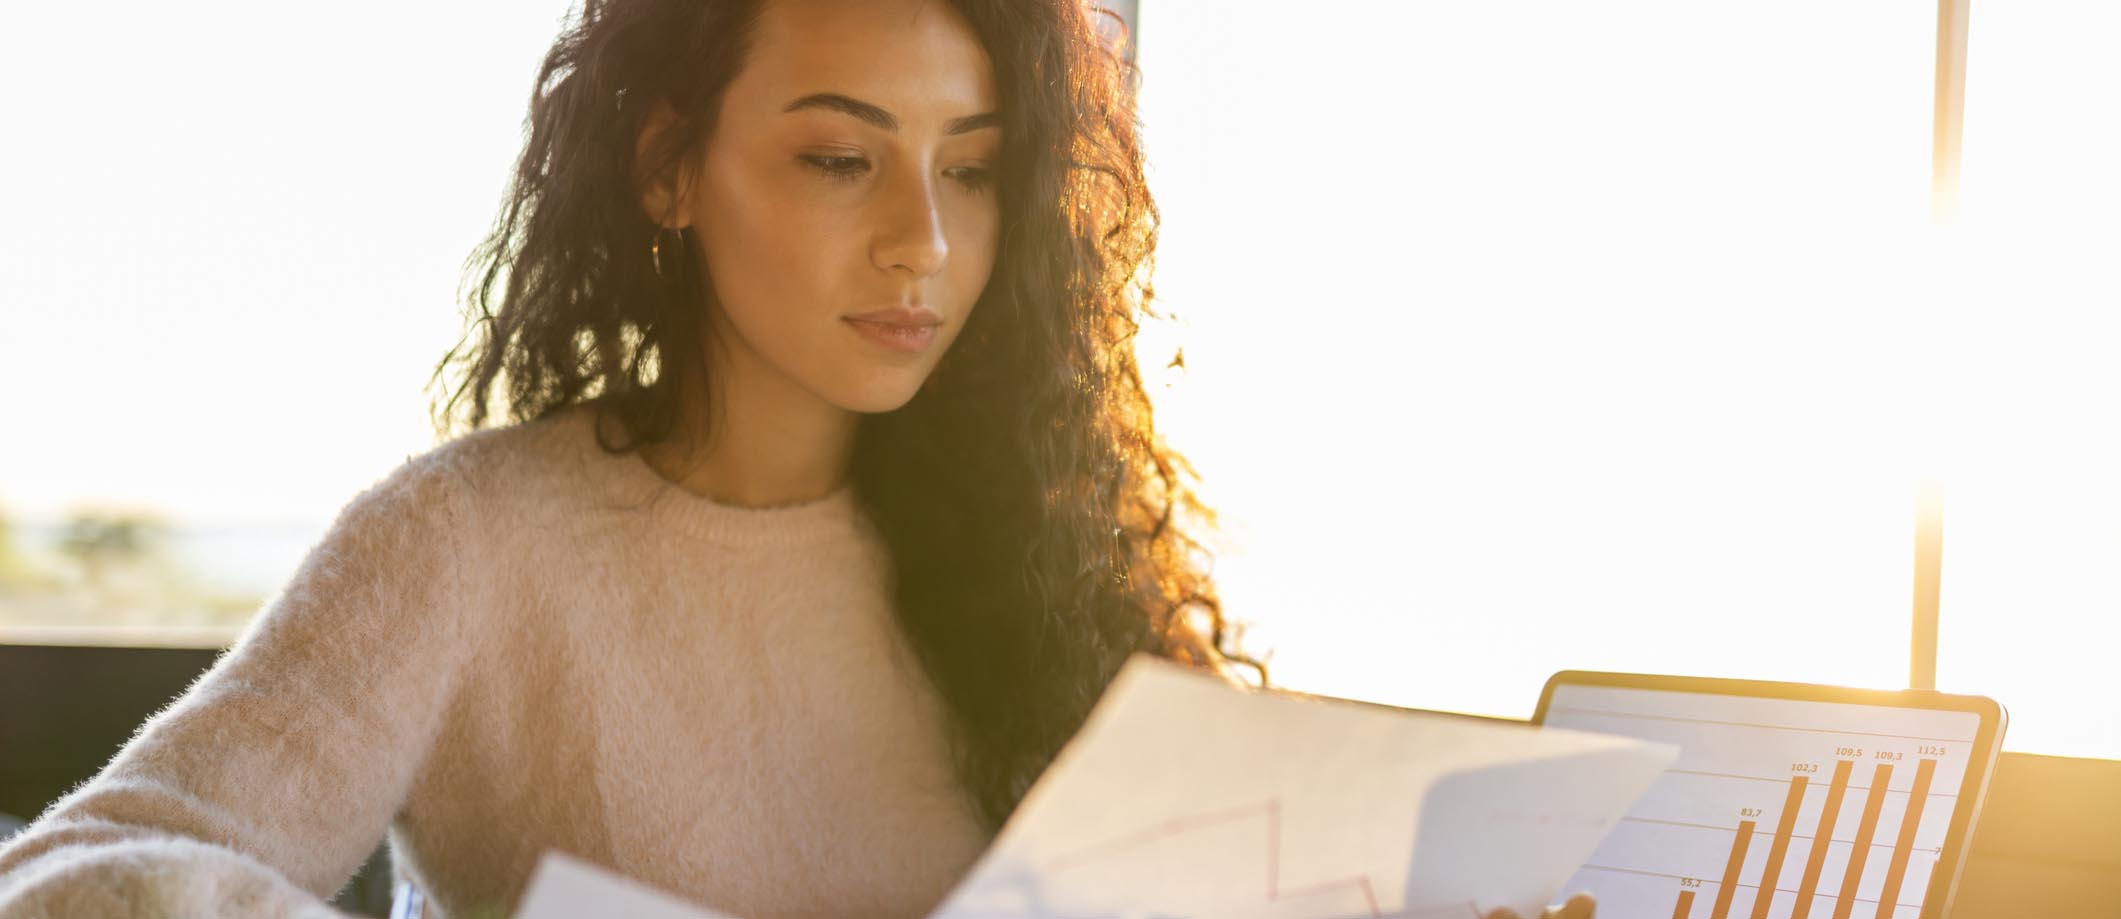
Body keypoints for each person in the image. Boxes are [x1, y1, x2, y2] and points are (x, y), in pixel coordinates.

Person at [0, 1, 1586, 917]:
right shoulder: (467, 545)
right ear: (667, 164)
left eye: (972, 172)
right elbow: (82, 877)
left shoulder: (1038, 559)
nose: (923, 244)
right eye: (840, 159)